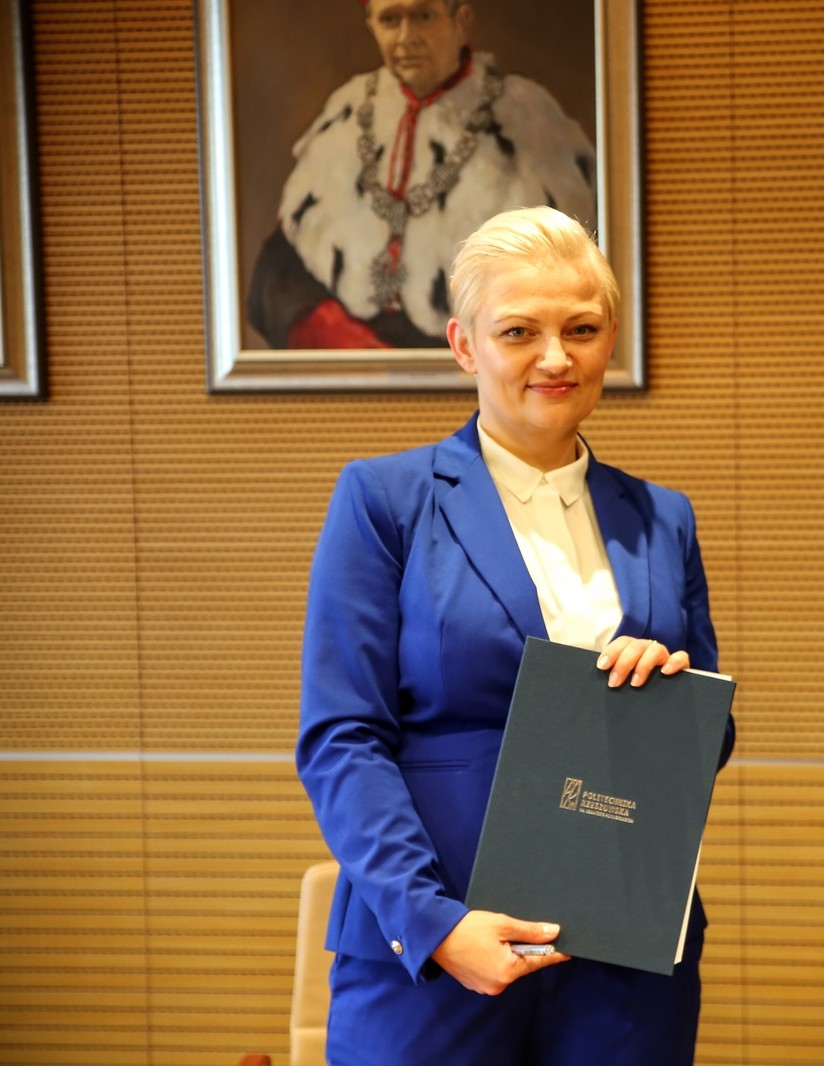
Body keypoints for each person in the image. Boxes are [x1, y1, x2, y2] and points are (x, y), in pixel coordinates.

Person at [297, 206, 730, 1065]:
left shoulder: (664, 518)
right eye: (519, 331)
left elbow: (707, 738)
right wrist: (435, 924)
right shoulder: (385, 501)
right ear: (465, 346)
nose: (556, 357)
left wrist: (665, 690)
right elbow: (342, 740)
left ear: (610, 341)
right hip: (434, 958)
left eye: (582, 329)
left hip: (625, 960)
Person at [248, 0, 597, 350]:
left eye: (422, 16)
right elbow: (280, 269)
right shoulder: (348, 109)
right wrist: (330, 332)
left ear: (461, 21)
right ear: (371, 24)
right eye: (390, 20)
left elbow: (566, 282)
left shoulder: (526, 117)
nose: (406, 38)